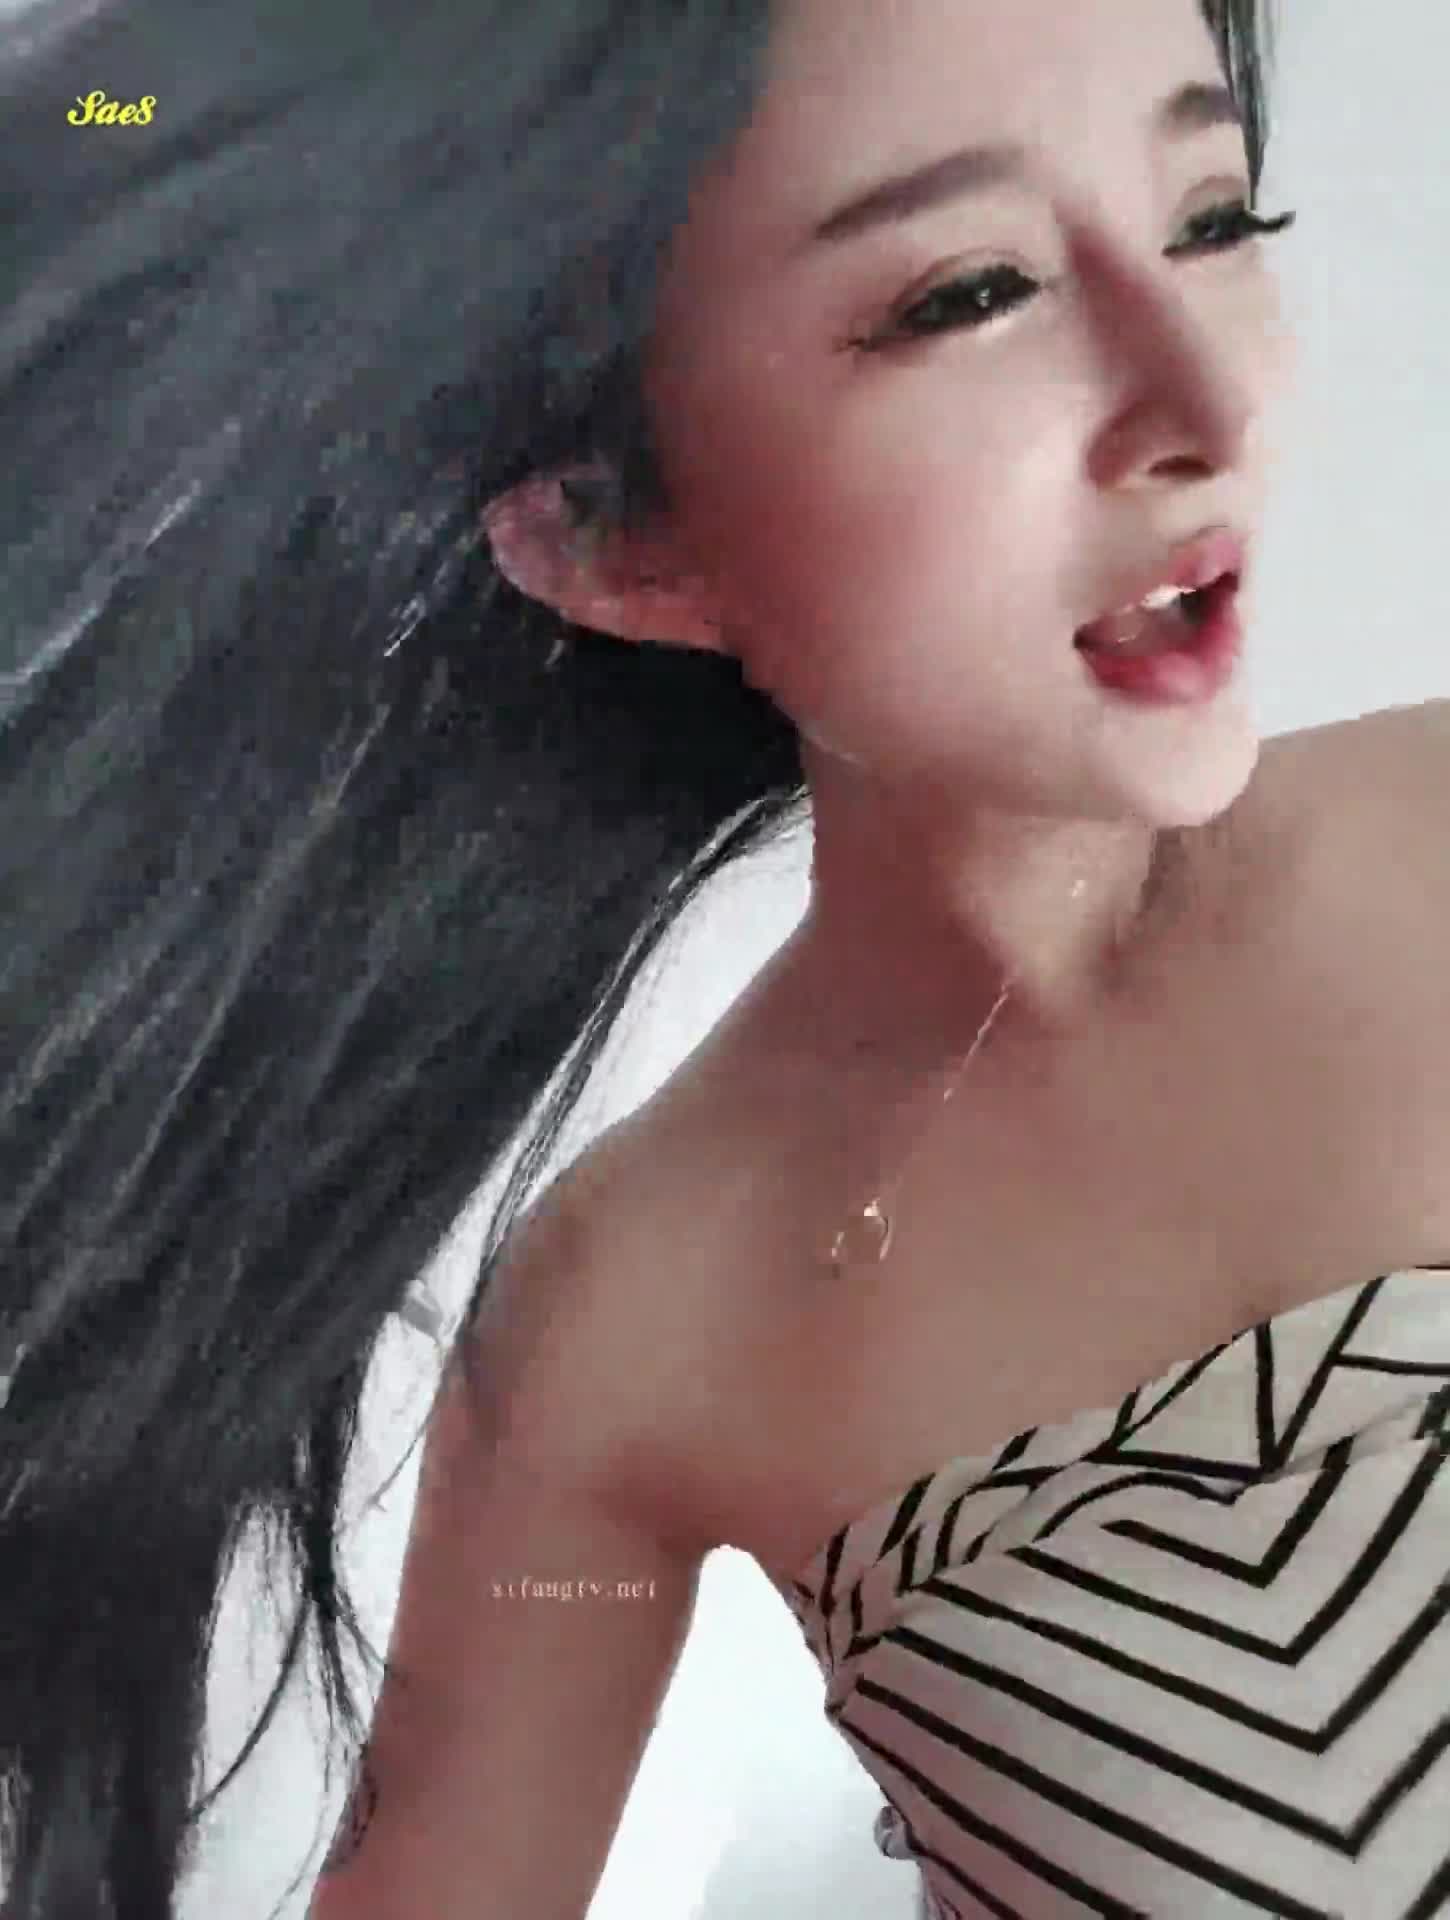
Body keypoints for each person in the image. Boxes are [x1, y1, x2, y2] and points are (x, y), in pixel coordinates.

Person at [2, 0, 1447, 1915]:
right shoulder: (631, 1316)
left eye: (1209, 218)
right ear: (617, 545)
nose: (1205, 405)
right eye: (968, 294)